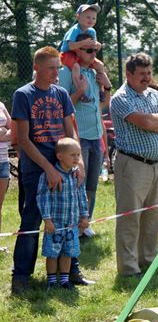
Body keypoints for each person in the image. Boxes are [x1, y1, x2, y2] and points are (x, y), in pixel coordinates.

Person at [11, 47, 92, 294]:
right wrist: (48, 168)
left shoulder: (61, 94)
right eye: (51, 68)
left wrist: (78, 162)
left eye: (58, 67)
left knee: (68, 218)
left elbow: (71, 130)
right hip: (36, 169)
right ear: (36, 68)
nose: (56, 73)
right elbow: (23, 139)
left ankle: (71, 271)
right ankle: (21, 277)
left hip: (65, 167)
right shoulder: (23, 95)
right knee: (33, 219)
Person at [109, 53, 158, 277]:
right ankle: (129, 269)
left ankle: (148, 260)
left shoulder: (154, 94)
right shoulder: (121, 98)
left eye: (149, 73)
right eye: (141, 73)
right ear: (128, 74)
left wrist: (154, 122)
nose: (147, 77)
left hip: (156, 165)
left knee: (153, 217)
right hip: (132, 164)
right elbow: (147, 122)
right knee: (130, 218)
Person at [58, 33, 111, 235]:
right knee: (78, 182)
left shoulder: (94, 72)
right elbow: (62, 106)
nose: (93, 53)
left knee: (91, 185)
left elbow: (102, 105)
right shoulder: (67, 72)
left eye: (95, 50)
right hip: (79, 138)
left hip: (96, 136)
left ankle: (86, 223)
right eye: (88, 49)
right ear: (77, 50)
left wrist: (107, 85)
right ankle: (74, 225)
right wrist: (80, 91)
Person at [37, 138, 90, 290]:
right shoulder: (49, 176)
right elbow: (43, 197)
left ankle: (64, 281)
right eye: (72, 155)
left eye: (78, 155)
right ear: (60, 156)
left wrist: (84, 216)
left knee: (68, 252)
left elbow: (82, 196)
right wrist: (47, 219)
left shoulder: (76, 175)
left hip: (72, 223)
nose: (76, 158)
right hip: (55, 224)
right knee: (52, 253)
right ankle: (52, 281)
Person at [58, 4, 102, 76]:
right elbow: (71, 46)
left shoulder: (92, 31)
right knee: (76, 67)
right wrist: (84, 42)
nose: (91, 20)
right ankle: (78, 82)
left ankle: (102, 82)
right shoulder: (75, 30)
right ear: (78, 17)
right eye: (88, 17)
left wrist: (98, 45)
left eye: (94, 18)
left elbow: (94, 46)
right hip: (67, 54)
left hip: (82, 55)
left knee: (99, 65)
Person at [0, 99, 11, 252]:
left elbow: (13, 130)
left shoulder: (1, 105)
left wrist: (2, 135)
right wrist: (3, 131)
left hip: (3, 162)